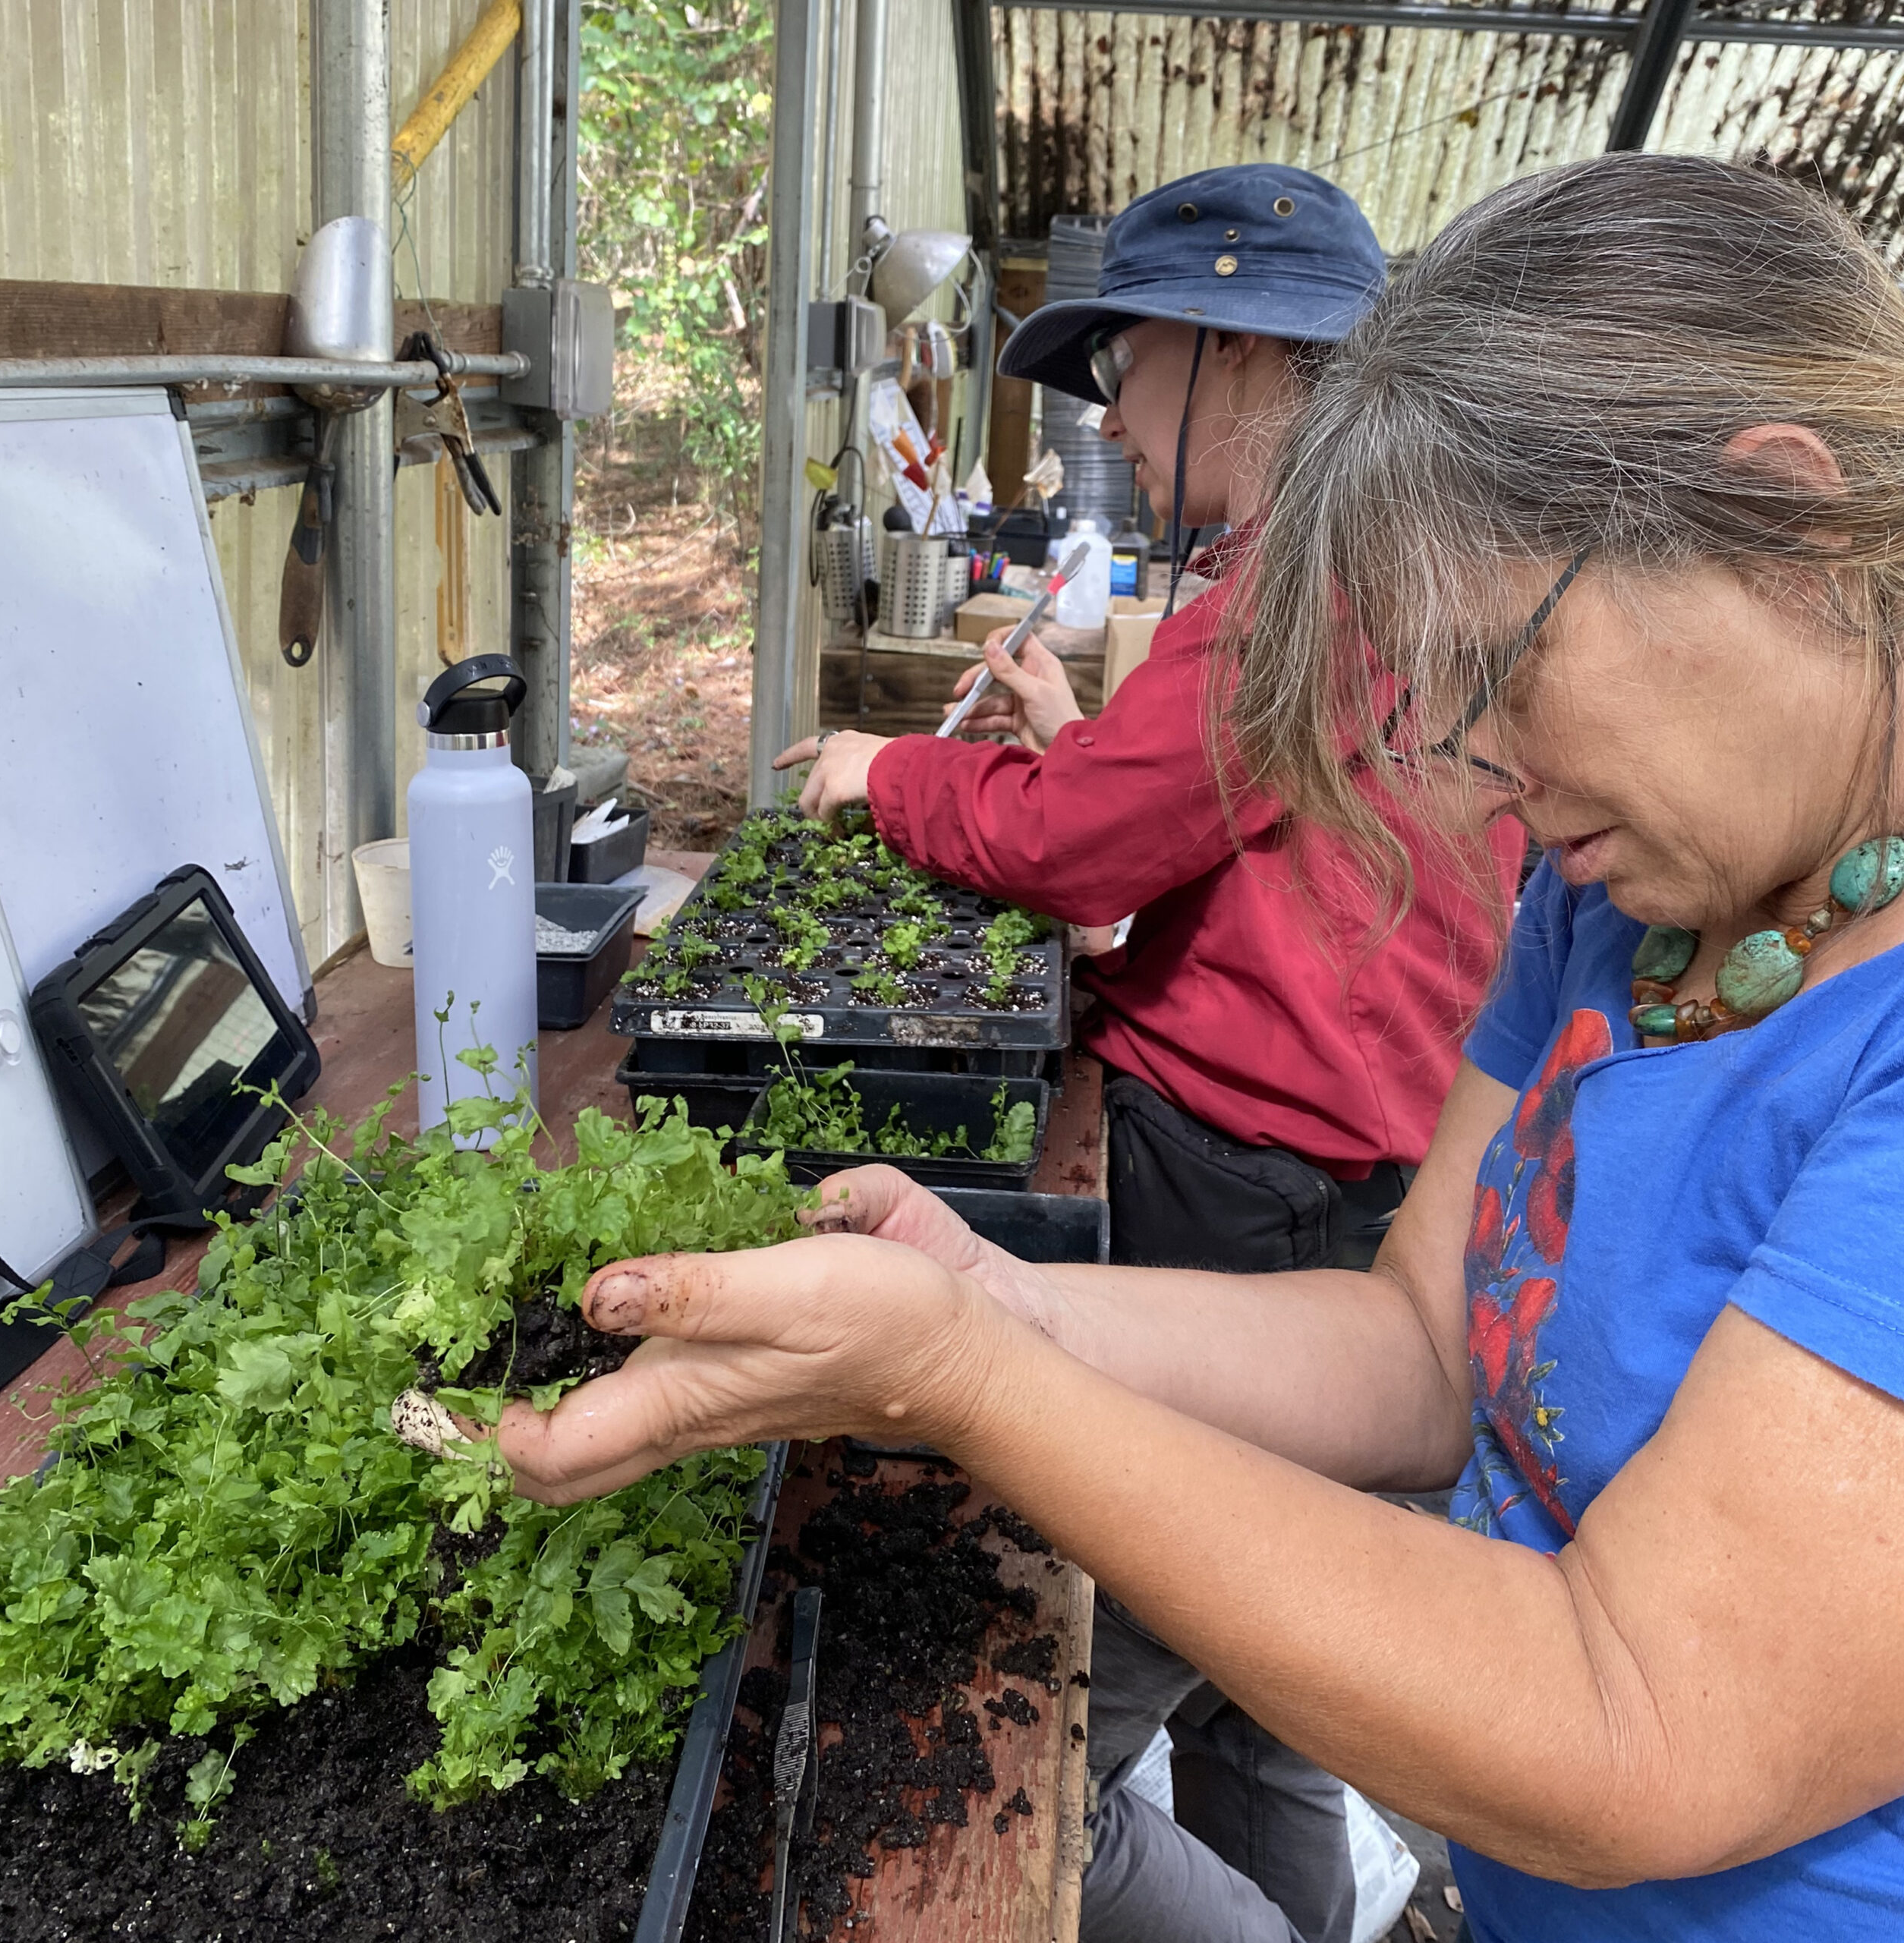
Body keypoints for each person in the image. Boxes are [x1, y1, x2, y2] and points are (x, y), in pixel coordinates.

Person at [486, 153, 1904, 1941]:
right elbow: (1420, 1343)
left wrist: (963, 1379)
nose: (1480, 773)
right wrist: (1000, 1297)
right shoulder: (1617, 902)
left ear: (1773, 519)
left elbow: (1637, 1724)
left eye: (1491, 670)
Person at [778, 164, 1524, 1942]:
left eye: (1128, 362)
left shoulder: (1310, 581)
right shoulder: (1381, 559)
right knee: (1271, 1681)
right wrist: (1074, 731)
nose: (1106, 413)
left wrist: (886, 772)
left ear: (1240, 350)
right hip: (1363, 1169)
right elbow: (1221, 816)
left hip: (1262, 1192)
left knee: (1048, 1738)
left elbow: (1071, 848)